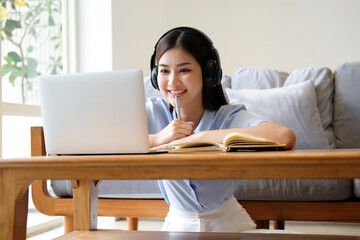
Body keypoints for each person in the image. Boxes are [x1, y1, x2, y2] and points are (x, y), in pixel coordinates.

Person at [146, 27, 296, 232]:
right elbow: (94, 140)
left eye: (184, 70)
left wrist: (201, 137)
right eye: (164, 71)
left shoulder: (228, 116)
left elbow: (284, 136)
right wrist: (157, 138)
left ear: (209, 73)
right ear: (155, 75)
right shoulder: (153, 111)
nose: (172, 81)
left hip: (229, 224)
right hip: (176, 225)